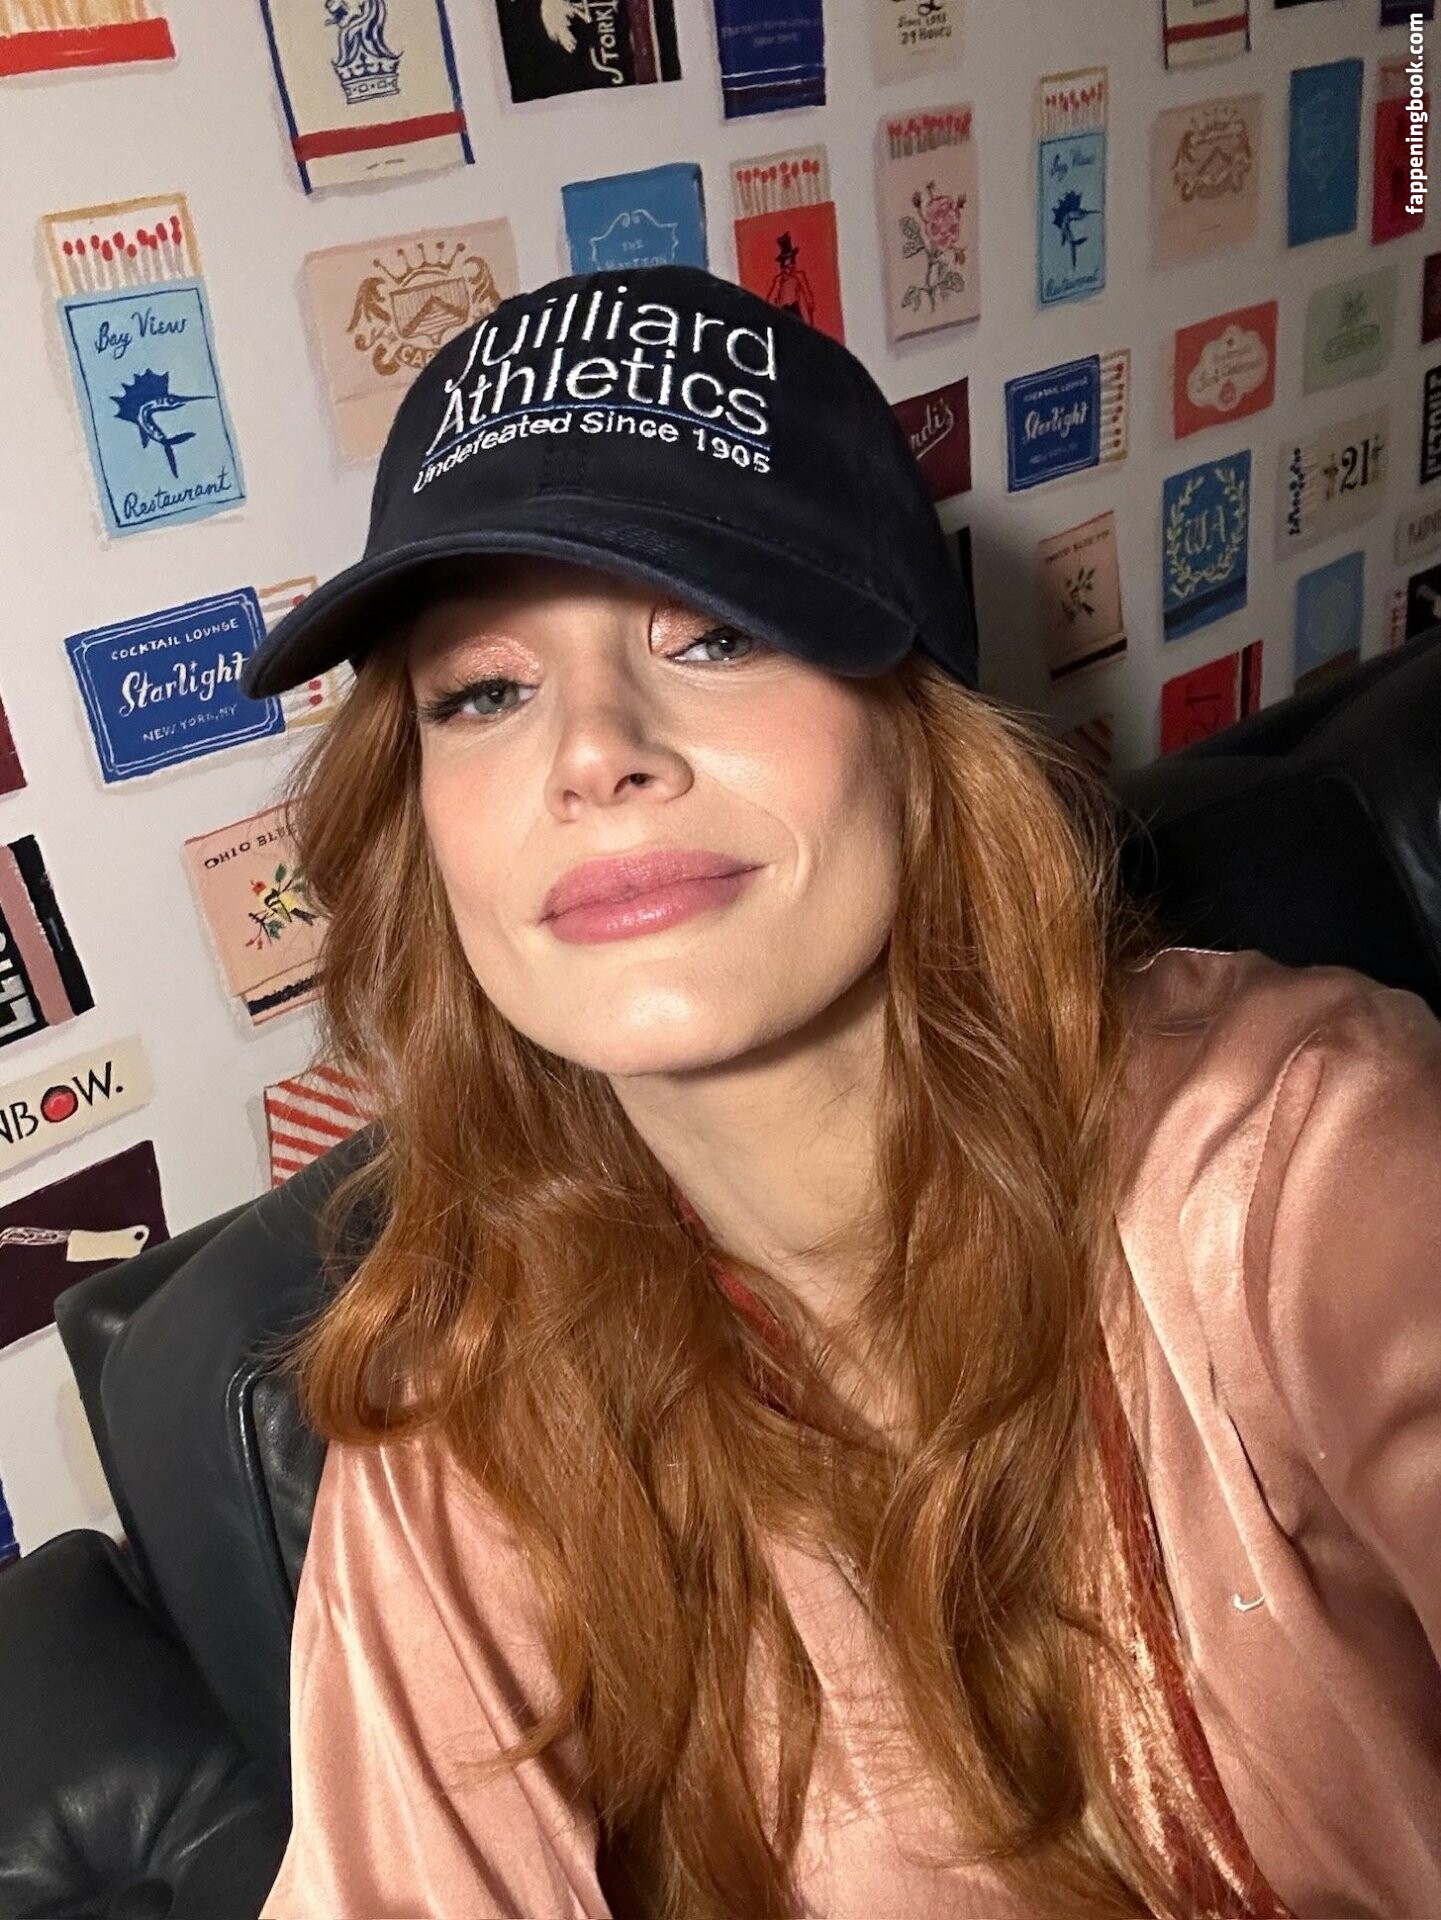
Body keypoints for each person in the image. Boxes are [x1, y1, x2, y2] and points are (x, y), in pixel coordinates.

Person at [241, 264, 1441, 1919]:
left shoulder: (1296, 1162)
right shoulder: (454, 1429)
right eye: (485, 691)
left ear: (914, 730)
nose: (592, 749)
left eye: (717, 634)